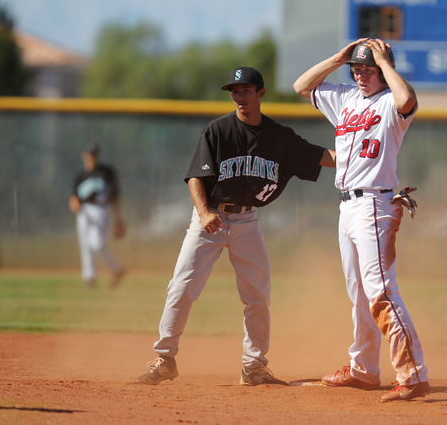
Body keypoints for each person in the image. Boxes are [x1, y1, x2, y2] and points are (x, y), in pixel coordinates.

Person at [135, 66, 336, 386]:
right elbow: (196, 177)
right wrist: (202, 213)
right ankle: (164, 359)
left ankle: (254, 366)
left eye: (245, 90)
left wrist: (359, 157)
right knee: (183, 286)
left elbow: (319, 156)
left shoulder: (278, 137)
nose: (239, 96)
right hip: (209, 219)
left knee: (258, 295)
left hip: (247, 220)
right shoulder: (216, 131)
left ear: (261, 94)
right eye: (234, 91)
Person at [293, 38, 429, 402]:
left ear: (384, 69)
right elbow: (302, 86)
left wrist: (384, 65)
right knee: (359, 294)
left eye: (367, 68)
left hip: (374, 205)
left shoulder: (390, 102)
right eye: (357, 68)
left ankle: (412, 374)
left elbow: (407, 100)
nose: (360, 74)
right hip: (347, 208)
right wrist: (339, 58)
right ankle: (364, 369)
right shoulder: (346, 98)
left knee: (381, 292)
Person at [69, 142, 126, 289]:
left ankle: (116, 269)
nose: (91, 157)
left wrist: (118, 218)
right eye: (89, 154)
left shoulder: (107, 172)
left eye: (94, 154)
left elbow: (115, 196)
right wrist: (74, 204)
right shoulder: (80, 175)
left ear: (97, 155)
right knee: (85, 244)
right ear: (84, 156)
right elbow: (73, 197)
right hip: (84, 211)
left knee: (97, 244)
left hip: (101, 210)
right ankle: (90, 277)